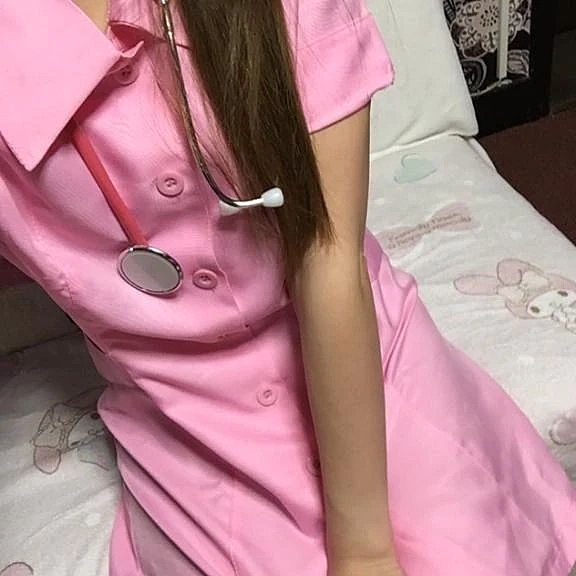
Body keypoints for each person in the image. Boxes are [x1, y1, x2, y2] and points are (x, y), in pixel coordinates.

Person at [1, 0, 575, 575]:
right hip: (183, 421)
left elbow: (328, 258)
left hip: (358, 353)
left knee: (476, 548)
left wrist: (365, 552)